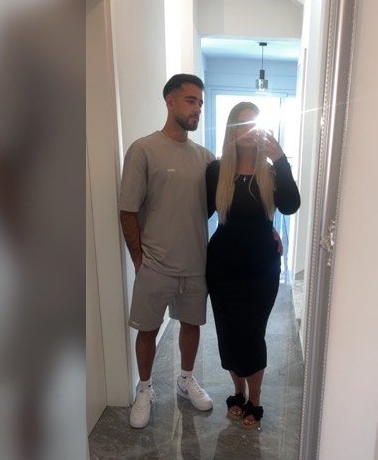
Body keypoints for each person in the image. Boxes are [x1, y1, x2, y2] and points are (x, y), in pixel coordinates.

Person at [119, 74, 215, 428]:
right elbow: (128, 210)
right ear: (170, 101)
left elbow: (212, 206)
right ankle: (145, 389)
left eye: (200, 102)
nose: (197, 108)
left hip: (195, 263)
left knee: (192, 326)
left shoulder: (206, 158)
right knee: (147, 330)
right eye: (191, 100)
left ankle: (186, 380)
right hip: (155, 265)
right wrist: (138, 259)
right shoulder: (144, 149)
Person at [206, 102, 301, 428]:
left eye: (254, 124)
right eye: (241, 124)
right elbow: (196, 212)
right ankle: (238, 391)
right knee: (228, 333)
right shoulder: (216, 171)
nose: (248, 131)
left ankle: (255, 400)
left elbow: (291, 205)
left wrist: (281, 158)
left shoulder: (271, 173)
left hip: (261, 269)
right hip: (221, 267)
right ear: (231, 130)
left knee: (252, 334)